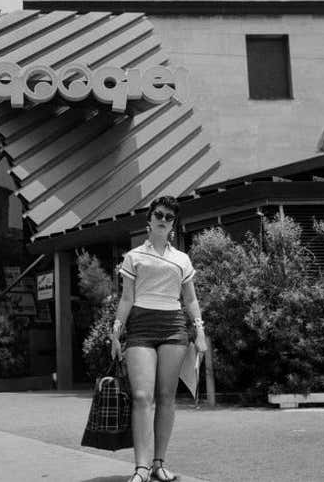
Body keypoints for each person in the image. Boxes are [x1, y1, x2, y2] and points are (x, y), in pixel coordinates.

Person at [110, 196, 207, 482]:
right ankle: (140, 467)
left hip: (174, 327)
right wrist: (115, 332)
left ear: (173, 225)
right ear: (149, 220)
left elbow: (190, 299)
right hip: (140, 326)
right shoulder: (134, 256)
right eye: (159, 215)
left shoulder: (182, 259)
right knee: (142, 396)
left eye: (169, 217)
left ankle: (158, 463)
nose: (163, 219)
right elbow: (127, 298)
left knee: (166, 397)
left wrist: (199, 331)